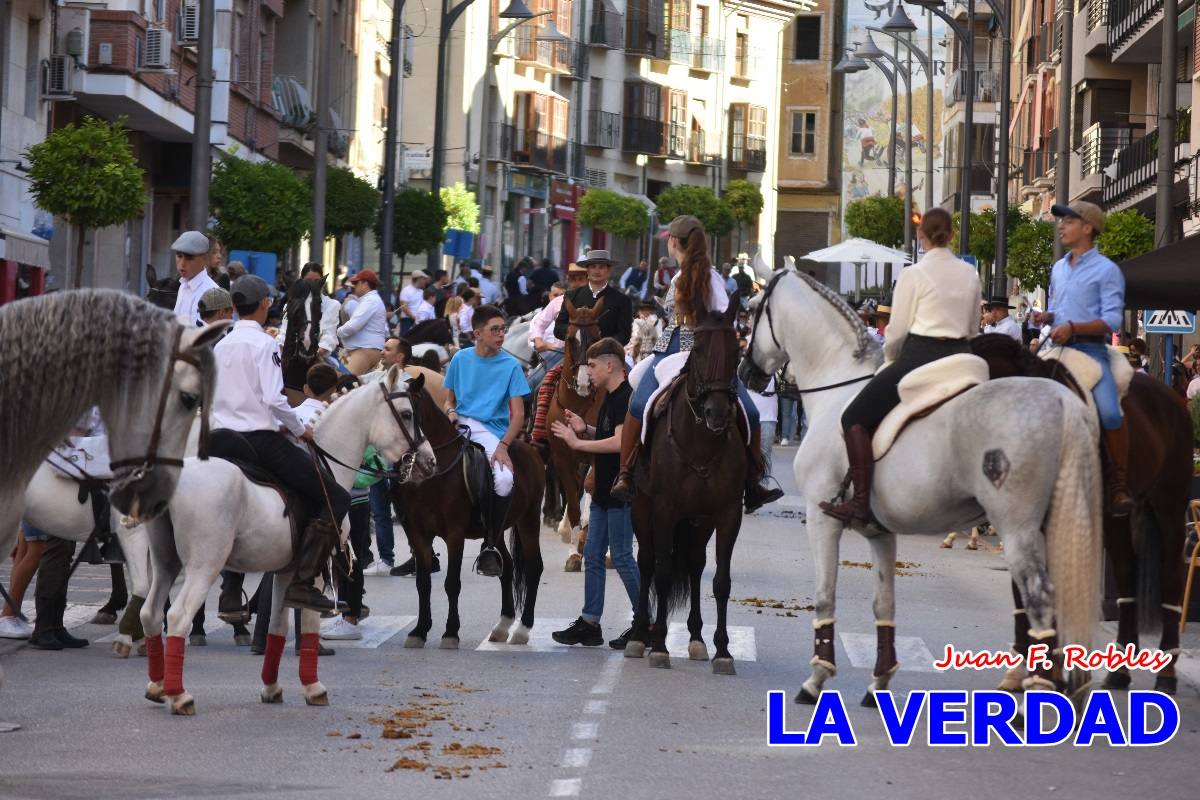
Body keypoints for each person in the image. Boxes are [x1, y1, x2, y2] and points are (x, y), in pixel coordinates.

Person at [609, 215, 783, 513]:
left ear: (673, 242)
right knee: (751, 413)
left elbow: (719, 318)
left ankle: (625, 474)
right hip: (685, 347)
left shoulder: (706, 277)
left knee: (637, 406)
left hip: (689, 349)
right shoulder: (703, 277)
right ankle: (753, 483)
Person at [820, 208, 981, 524]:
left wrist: (891, 358)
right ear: (951, 236)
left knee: (853, 416)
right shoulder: (970, 274)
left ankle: (861, 502)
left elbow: (897, 331)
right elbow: (974, 326)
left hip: (921, 355)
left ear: (922, 238)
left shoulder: (914, 274)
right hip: (964, 358)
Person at [211, 275, 350, 612]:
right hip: (258, 440)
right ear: (264, 305)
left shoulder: (220, 344)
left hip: (218, 439)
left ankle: (230, 591)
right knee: (335, 497)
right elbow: (274, 400)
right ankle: (302, 582)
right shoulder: (264, 345)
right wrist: (299, 428)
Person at [1032, 200, 1133, 515]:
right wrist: (1047, 317)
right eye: (1061, 221)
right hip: (1056, 348)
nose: (1061, 226)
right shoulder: (1058, 268)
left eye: (1068, 221)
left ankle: (1118, 484)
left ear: (1088, 227)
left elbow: (1113, 320)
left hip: (1090, 349)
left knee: (1110, 413)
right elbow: (1060, 312)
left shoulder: (1107, 270)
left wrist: (1074, 327)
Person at [550, 338, 639, 649]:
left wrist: (577, 444)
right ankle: (590, 623)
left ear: (611, 365)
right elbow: (608, 436)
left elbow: (619, 443)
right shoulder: (609, 398)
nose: (588, 372)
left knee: (624, 558)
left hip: (620, 493)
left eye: (592, 365)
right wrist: (584, 428)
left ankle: (645, 623)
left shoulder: (626, 398)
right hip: (602, 492)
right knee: (592, 556)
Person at [443, 305, 531, 577]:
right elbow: (449, 399)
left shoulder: (511, 366)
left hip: (493, 431)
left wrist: (504, 446)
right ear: (477, 333)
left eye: (503, 329)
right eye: (495, 330)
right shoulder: (460, 358)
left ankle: (490, 544)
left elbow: (518, 415)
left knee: (504, 480)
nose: (501, 335)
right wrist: (450, 412)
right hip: (461, 423)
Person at [553, 250, 633, 346]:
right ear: (587, 270)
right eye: (593, 267)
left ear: (608, 270)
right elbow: (558, 328)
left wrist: (603, 345)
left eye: (601, 267)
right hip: (575, 352)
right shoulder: (571, 295)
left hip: (606, 354)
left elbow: (624, 335)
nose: (596, 271)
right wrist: (575, 331)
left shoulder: (622, 300)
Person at [278, 263, 343, 364]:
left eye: (316, 281)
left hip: (319, 356)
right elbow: (284, 332)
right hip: (292, 355)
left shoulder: (332, 305)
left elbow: (329, 336)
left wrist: (316, 353)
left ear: (322, 282)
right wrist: (280, 349)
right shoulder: (290, 305)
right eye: (308, 281)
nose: (312, 285)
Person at [338, 270, 389, 375]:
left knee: (343, 381)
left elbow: (353, 326)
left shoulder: (370, 300)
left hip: (365, 351)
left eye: (356, 283)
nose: (354, 286)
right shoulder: (369, 300)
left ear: (365, 284)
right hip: (364, 349)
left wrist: (338, 332)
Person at [171, 230, 219, 327]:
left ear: (204, 258)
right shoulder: (183, 286)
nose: (182, 263)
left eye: (189, 258)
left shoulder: (211, 292)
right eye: (179, 256)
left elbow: (202, 336)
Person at [398, 270, 431, 334]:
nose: (425, 281)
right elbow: (404, 307)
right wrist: (415, 318)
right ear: (419, 279)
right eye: (424, 279)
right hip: (407, 321)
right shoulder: (406, 290)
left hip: (418, 321)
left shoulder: (422, 292)